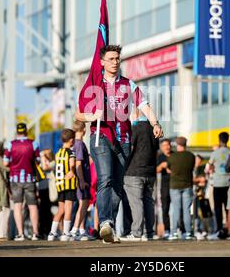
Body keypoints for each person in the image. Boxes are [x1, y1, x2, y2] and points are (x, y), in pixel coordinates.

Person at [76, 44, 163, 244]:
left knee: (117, 183)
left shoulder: (128, 84)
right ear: (102, 62)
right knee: (105, 178)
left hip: (123, 139)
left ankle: (110, 227)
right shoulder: (94, 85)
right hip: (101, 136)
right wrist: (92, 115)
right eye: (111, 59)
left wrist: (155, 123)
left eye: (117, 59)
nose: (115, 62)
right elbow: (78, 113)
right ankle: (105, 222)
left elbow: (143, 105)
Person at [121, 112, 159, 242]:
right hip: (150, 171)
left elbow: (129, 148)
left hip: (134, 170)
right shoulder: (155, 129)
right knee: (149, 202)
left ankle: (136, 233)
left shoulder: (134, 129)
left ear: (136, 113)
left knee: (136, 203)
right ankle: (149, 233)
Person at [3, 123, 41, 241]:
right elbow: (38, 161)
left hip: (15, 179)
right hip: (29, 179)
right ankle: (35, 233)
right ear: (26, 131)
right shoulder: (33, 143)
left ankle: (20, 234)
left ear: (17, 131)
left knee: (18, 206)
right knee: (33, 206)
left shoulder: (10, 144)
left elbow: (5, 163)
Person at [48, 129, 77, 241]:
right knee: (68, 208)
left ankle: (52, 232)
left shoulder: (58, 153)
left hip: (59, 185)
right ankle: (66, 233)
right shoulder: (71, 152)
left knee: (60, 210)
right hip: (69, 184)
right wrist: (72, 171)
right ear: (71, 140)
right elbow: (72, 163)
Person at [167, 137, 196, 240]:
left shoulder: (172, 157)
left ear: (177, 144)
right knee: (186, 210)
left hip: (174, 186)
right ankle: (188, 233)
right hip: (187, 185)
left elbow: (168, 168)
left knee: (176, 210)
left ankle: (174, 233)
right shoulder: (191, 156)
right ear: (185, 144)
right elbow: (192, 167)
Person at [70, 121, 95, 241]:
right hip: (83, 179)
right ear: (84, 129)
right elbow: (78, 163)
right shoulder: (80, 144)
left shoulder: (74, 144)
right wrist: (82, 180)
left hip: (81, 179)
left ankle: (81, 231)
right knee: (83, 205)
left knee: (82, 204)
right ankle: (75, 230)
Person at [206, 132, 230, 235]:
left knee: (217, 208)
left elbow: (209, 166)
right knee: (228, 207)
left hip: (217, 183)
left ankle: (219, 229)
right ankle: (229, 229)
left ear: (219, 140)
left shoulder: (215, 153)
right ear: (228, 140)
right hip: (228, 183)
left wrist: (212, 170)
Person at [156, 139, 173, 239]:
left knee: (178, 208)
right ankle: (167, 230)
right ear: (162, 147)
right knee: (165, 208)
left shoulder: (175, 155)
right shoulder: (160, 157)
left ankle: (180, 229)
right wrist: (162, 166)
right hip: (165, 186)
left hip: (176, 185)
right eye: (165, 145)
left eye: (168, 145)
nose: (167, 147)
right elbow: (156, 170)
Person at [38, 149, 54, 239]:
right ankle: (41, 230)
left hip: (49, 190)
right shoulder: (43, 162)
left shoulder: (52, 163)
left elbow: (44, 167)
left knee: (48, 212)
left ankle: (48, 230)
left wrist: (43, 156)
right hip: (42, 189)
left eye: (47, 155)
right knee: (42, 212)